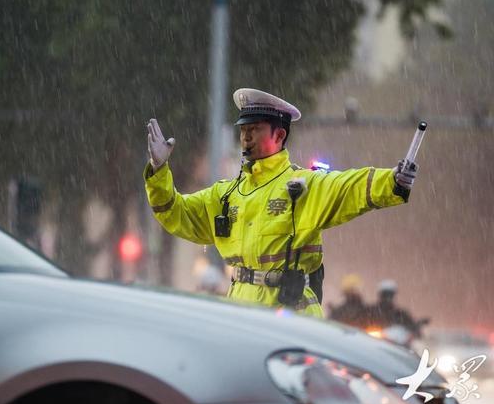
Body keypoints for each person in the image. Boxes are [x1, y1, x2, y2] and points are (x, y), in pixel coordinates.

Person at [143, 88, 418, 318]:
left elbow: (351, 186)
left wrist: (393, 181)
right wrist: (158, 170)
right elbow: (174, 212)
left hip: (291, 315)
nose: (246, 136)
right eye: (244, 130)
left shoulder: (303, 185)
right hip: (239, 313)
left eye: (255, 129)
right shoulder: (226, 194)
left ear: (279, 135)